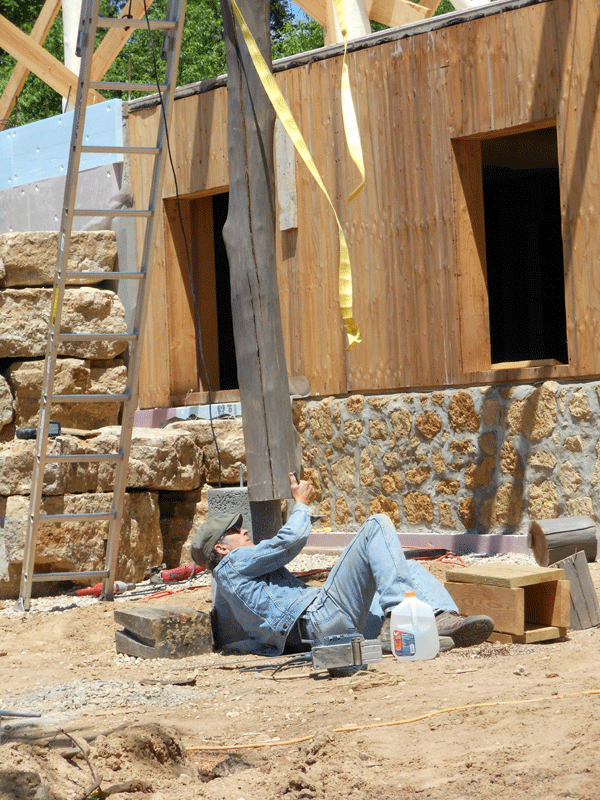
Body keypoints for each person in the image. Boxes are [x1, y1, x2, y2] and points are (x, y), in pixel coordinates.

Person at [191, 473, 494, 656]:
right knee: (376, 524)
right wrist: (301, 505)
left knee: (409, 568)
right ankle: (401, 619)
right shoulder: (233, 563)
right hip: (321, 619)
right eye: (236, 531)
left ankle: (440, 620)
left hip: (326, 627)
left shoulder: (230, 582)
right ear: (221, 548)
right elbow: (288, 542)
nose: (245, 532)